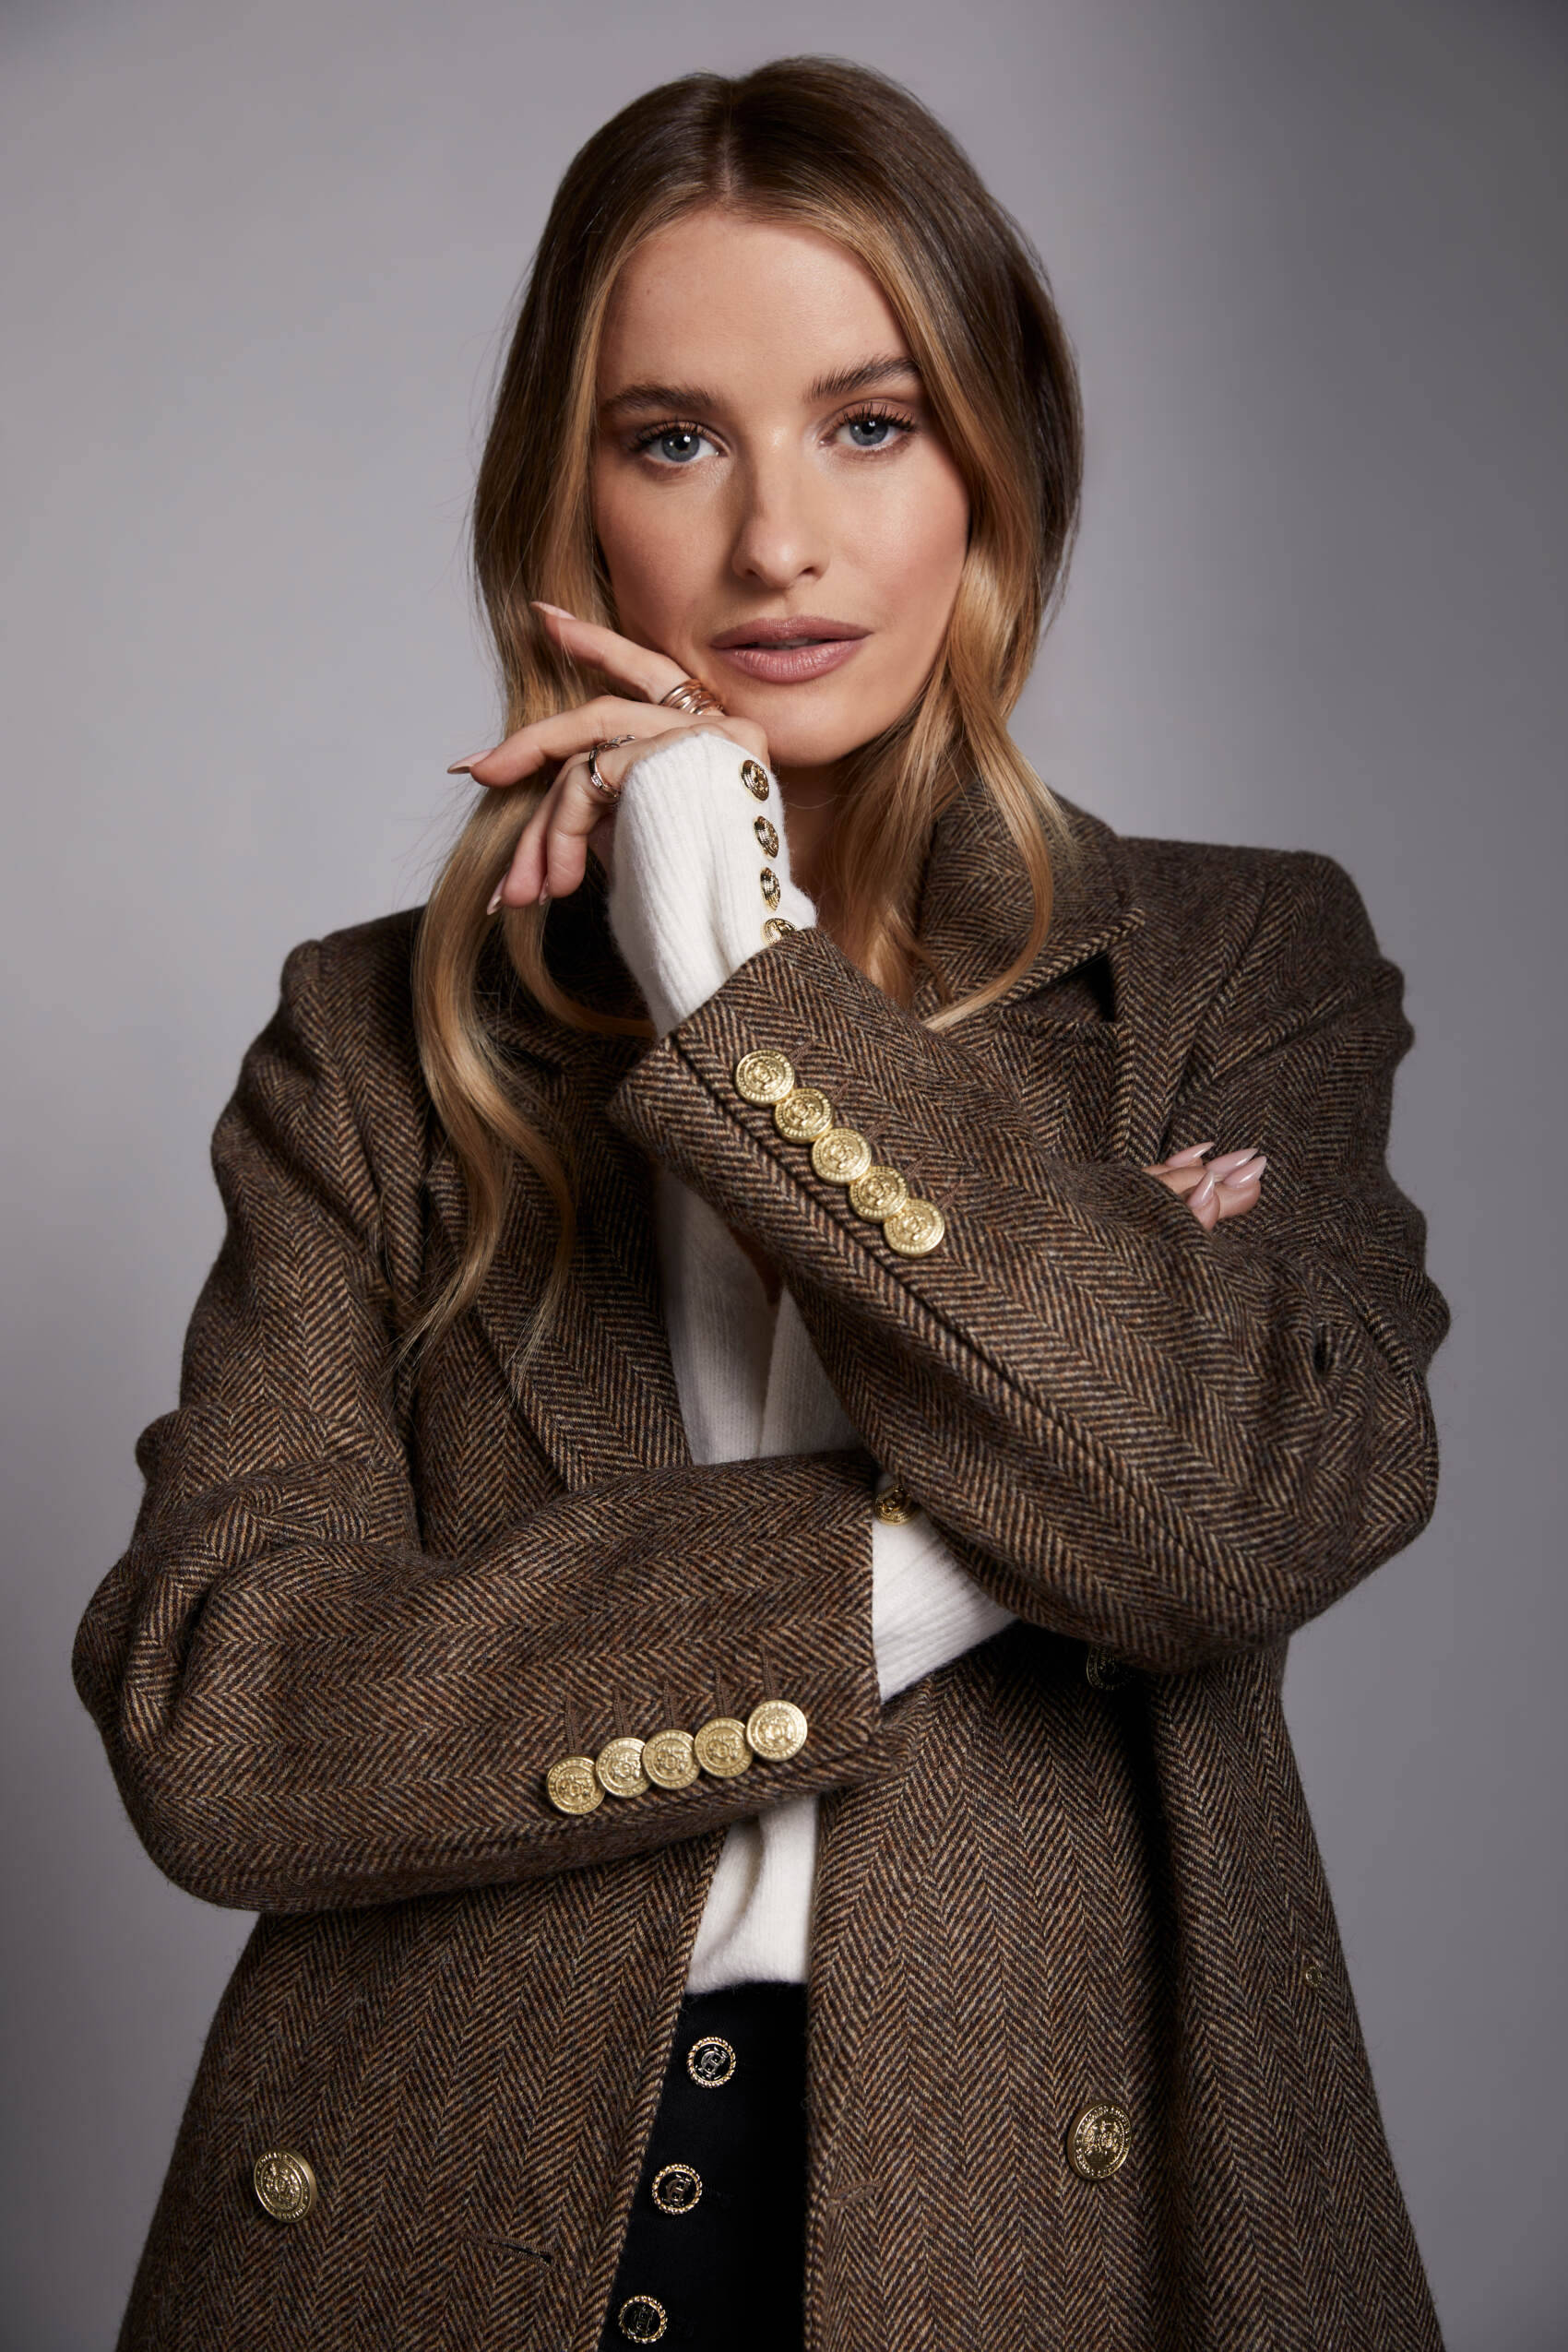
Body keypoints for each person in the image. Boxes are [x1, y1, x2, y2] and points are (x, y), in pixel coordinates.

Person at [72, 54, 1450, 2352]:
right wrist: (978, 1522)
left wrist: (737, 974)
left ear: (994, 465)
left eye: (869, 423)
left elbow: (1259, 1500)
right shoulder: (377, 1041)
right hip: (446, 2219)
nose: (776, 543)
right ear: (572, 503)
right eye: (674, 439)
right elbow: (225, 1724)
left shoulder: (1230, 964)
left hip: (1061, 2228)